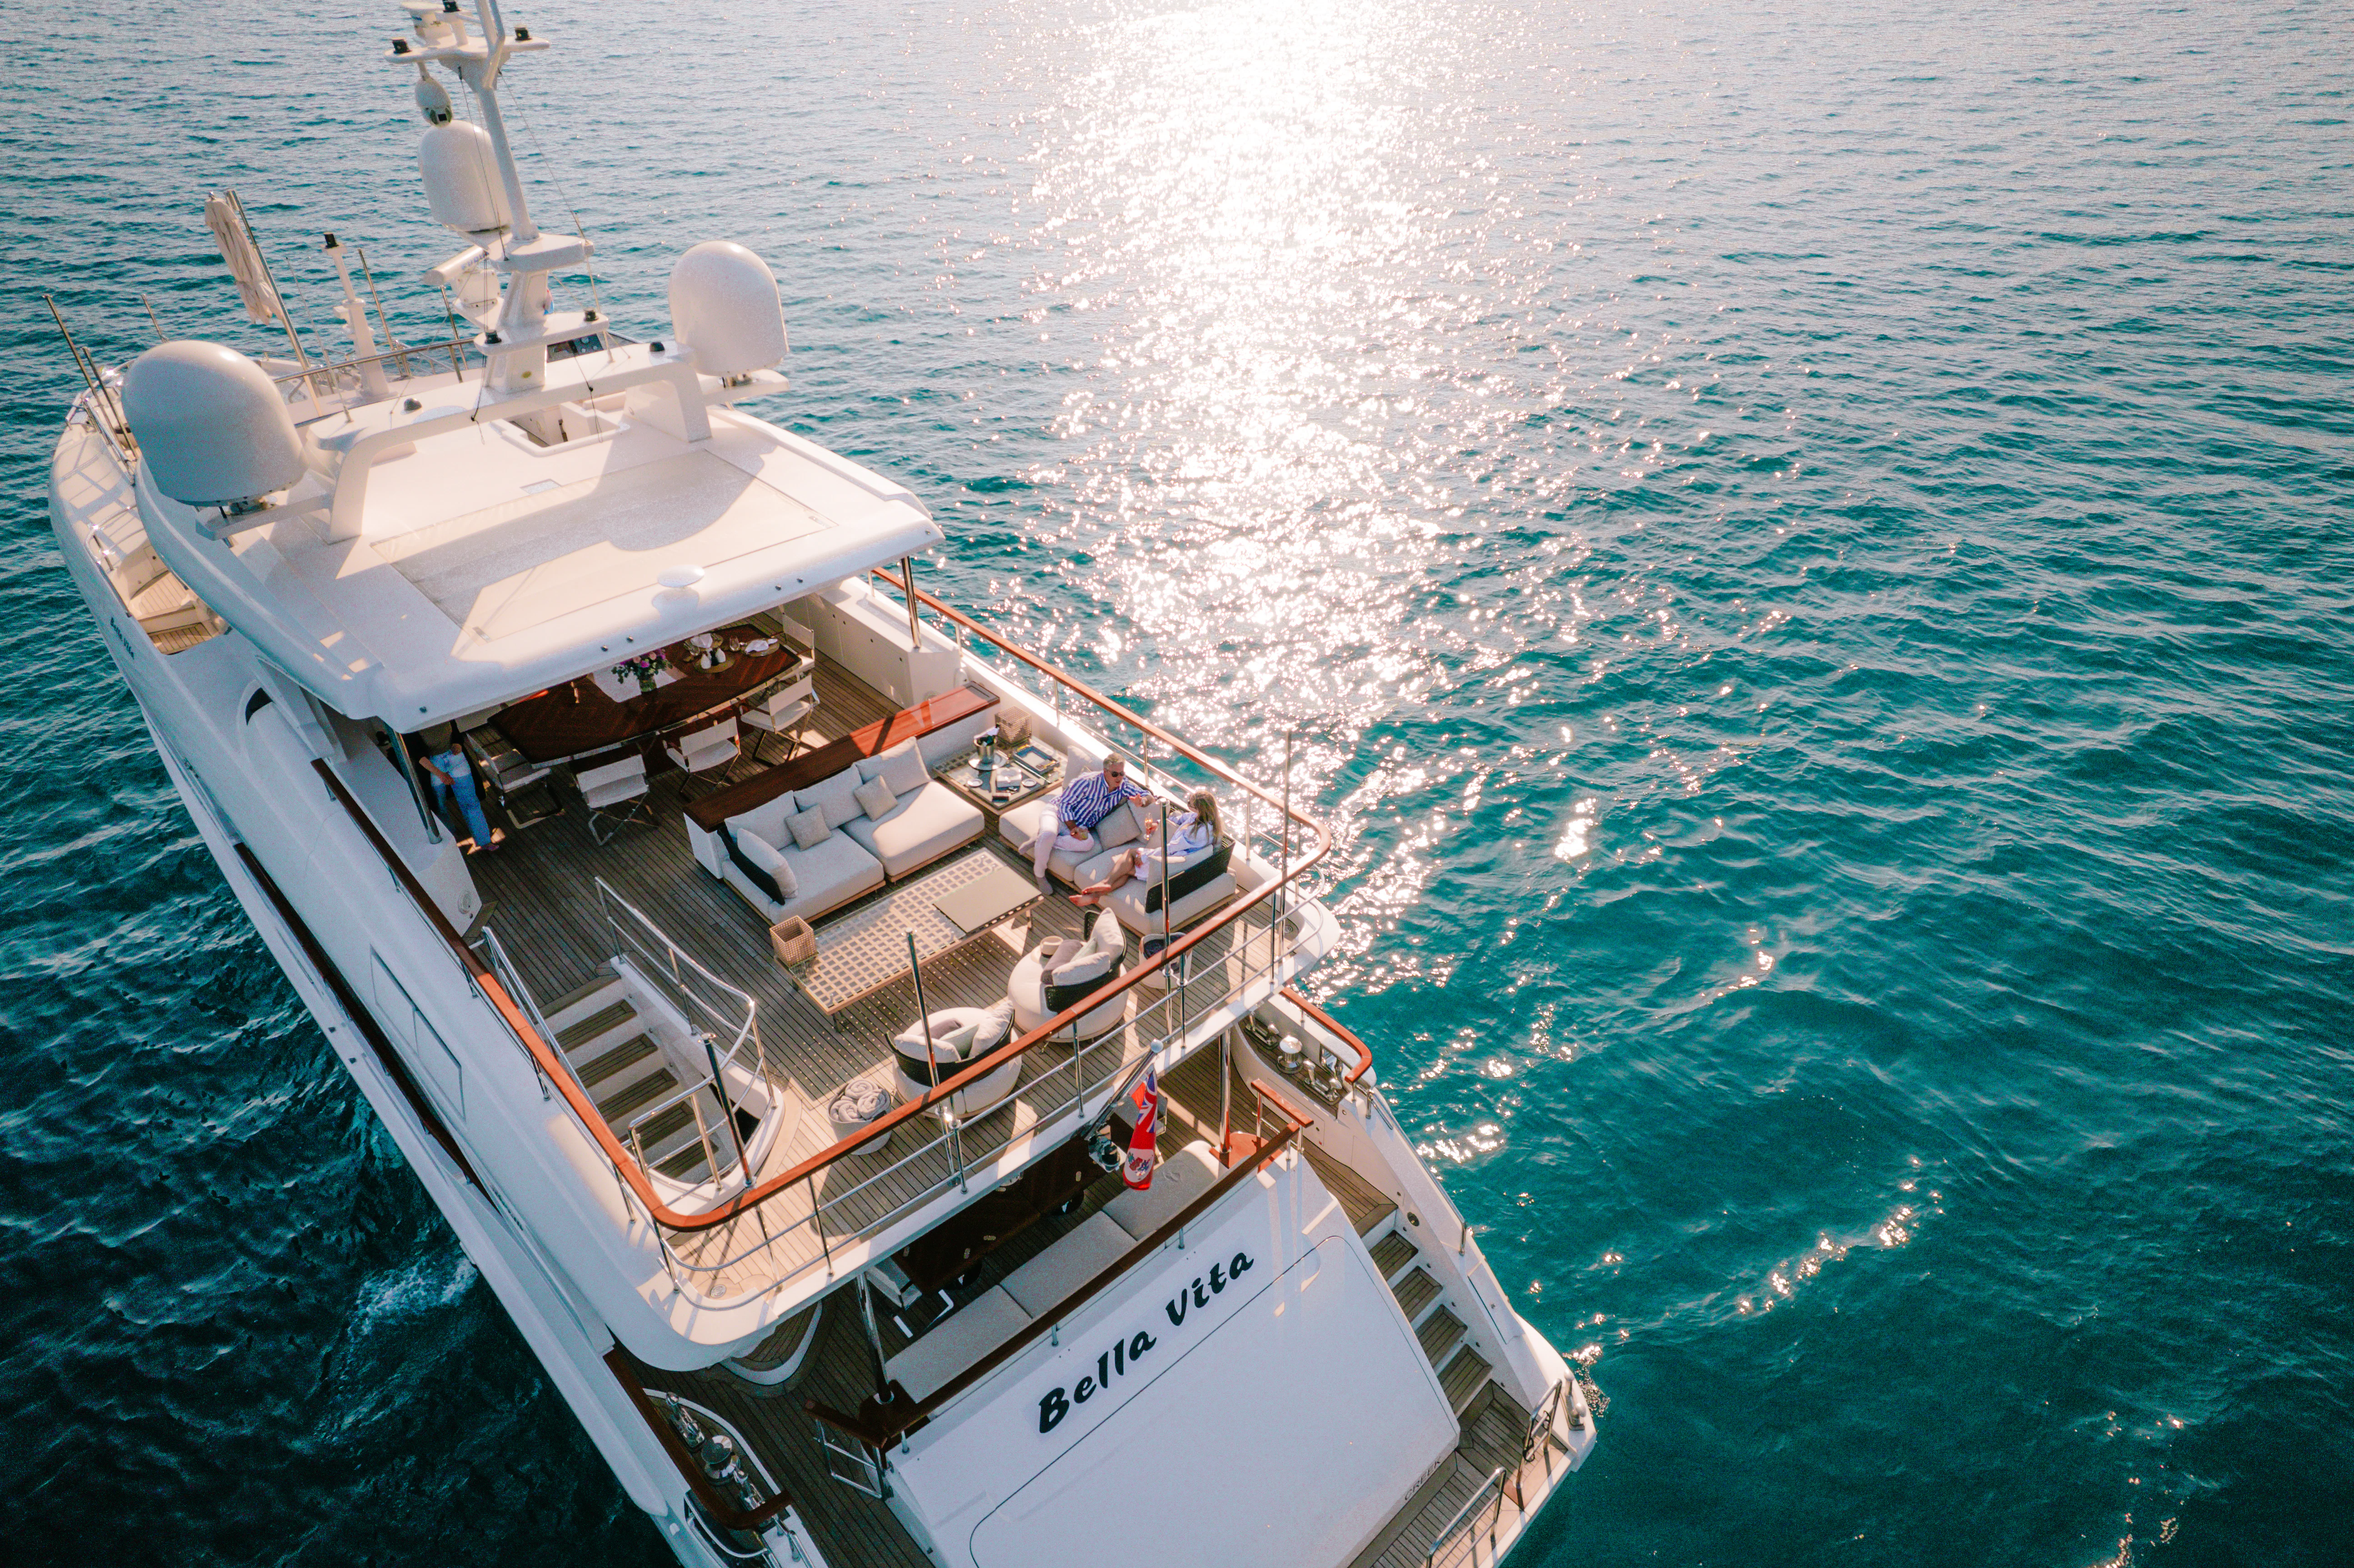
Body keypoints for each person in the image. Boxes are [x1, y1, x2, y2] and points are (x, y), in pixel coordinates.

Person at [1073, 791, 1222, 909]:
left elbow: (1171, 849)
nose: (1187, 804)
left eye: (1190, 803)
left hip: (1170, 864)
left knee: (1131, 853)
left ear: (1199, 809)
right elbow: (1176, 820)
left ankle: (1106, 882)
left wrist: (1145, 857)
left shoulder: (1199, 833)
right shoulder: (1197, 819)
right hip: (1172, 857)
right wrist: (1158, 824)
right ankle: (1096, 896)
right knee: (1129, 870)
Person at [1028, 751, 1153, 889]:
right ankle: (1040, 874)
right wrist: (1072, 828)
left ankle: (1043, 840)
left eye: (1122, 774)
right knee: (1049, 834)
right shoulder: (1087, 782)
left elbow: (1149, 796)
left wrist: (1142, 802)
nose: (1119, 778)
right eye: (1115, 774)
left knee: (1087, 844)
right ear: (1105, 772)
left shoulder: (1123, 786)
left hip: (1081, 826)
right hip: (1057, 813)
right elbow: (1065, 804)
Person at [417, 729, 501, 852]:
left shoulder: (442, 712)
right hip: (432, 765)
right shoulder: (411, 723)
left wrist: (457, 744)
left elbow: (455, 732)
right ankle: (450, 839)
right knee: (439, 806)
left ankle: (484, 841)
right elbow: (417, 754)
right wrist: (441, 774)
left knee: (471, 803)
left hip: (455, 758)